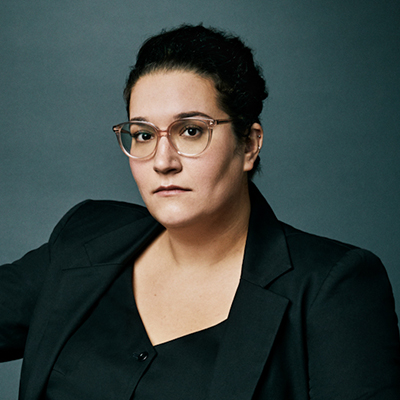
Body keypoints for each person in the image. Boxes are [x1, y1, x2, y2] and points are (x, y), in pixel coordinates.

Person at [1, 24, 399, 400]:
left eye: (190, 130)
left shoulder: (334, 287)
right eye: (142, 135)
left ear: (249, 144)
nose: (163, 161)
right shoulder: (84, 236)